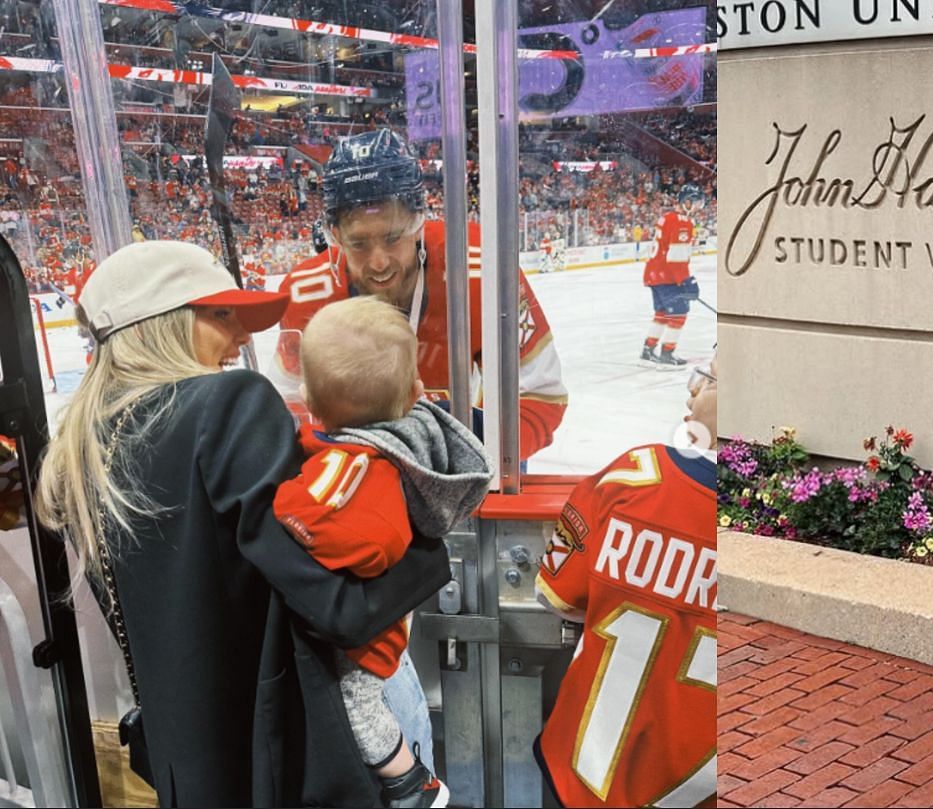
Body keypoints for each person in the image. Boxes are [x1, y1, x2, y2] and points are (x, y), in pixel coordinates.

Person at [34, 241, 450, 806]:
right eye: (222, 314)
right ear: (166, 323)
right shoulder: (228, 404)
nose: (243, 336)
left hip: (197, 763)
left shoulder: (84, 447)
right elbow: (339, 608)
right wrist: (429, 541)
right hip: (293, 754)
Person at [273, 296, 494, 808]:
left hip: (368, 640)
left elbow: (367, 542)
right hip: (392, 622)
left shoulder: (357, 467)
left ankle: (408, 783)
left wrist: (278, 507)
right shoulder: (413, 440)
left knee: (359, 702)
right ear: (416, 392)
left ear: (309, 399)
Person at [276, 129, 567, 460]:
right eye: (358, 243)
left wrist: (470, 458)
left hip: (462, 450)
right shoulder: (307, 293)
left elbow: (539, 397)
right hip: (358, 464)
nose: (379, 262)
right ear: (336, 235)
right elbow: (289, 408)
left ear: (417, 220)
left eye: (393, 236)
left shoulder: (483, 268)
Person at [533, 358, 718, 808]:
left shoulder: (636, 473)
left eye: (711, 379)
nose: (693, 392)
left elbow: (556, 592)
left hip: (582, 774)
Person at [639, 184, 703, 370]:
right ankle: (667, 352)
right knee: (678, 315)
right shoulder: (683, 222)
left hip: (654, 274)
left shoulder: (667, 217)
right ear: (687, 202)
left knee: (662, 314)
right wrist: (686, 281)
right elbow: (676, 257)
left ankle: (648, 349)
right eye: (696, 202)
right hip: (667, 277)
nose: (698, 207)